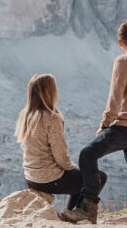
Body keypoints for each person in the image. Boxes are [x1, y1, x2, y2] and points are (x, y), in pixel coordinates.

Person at [62, 19, 127, 225]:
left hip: (125, 127)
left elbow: (115, 97)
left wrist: (104, 124)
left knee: (87, 155)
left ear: (120, 42)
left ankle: (88, 207)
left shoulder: (123, 60)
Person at [15, 72, 107, 216]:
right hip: (49, 178)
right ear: (50, 92)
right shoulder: (52, 118)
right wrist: (71, 167)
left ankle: (70, 213)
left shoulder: (26, 115)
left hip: (31, 178)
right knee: (97, 177)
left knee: (78, 179)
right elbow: (59, 153)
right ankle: (78, 213)